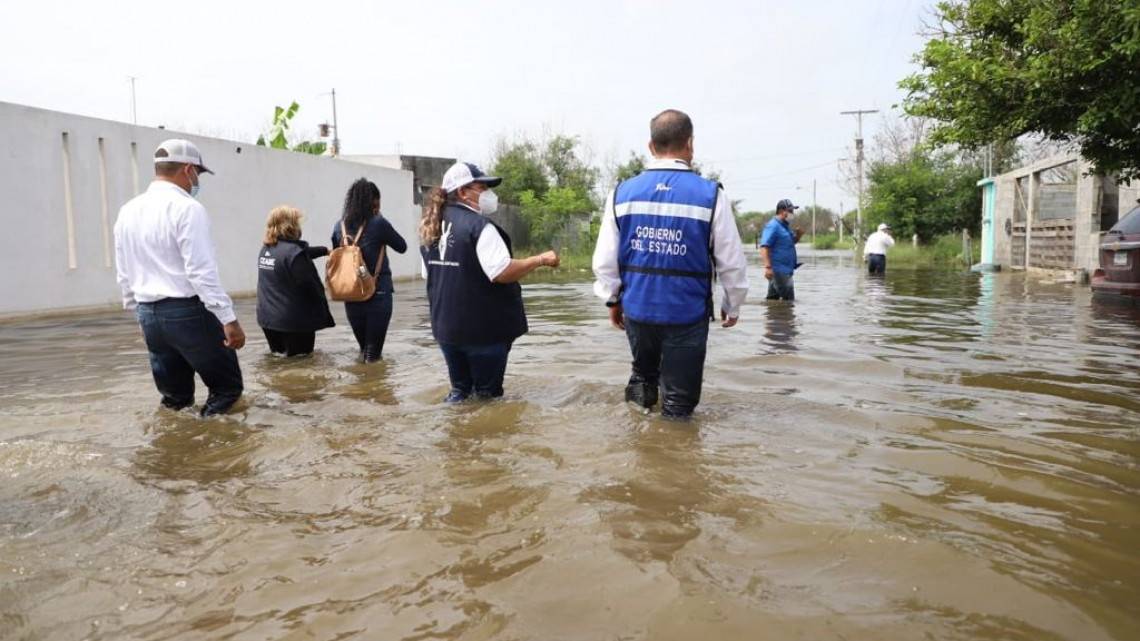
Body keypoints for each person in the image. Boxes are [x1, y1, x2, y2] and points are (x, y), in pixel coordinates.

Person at [592, 109, 749, 418]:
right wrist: (733, 305)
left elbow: (605, 258)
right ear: (690, 144)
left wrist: (612, 299)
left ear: (650, 146)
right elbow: (731, 260)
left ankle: (638, 443)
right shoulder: (711, 195)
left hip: (638, 310)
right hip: (686, 313)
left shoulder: (621, 193)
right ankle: (673, 454)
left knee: (643, 377)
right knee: (679, 400)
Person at [114, 138, 245, 416]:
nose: (197, 181)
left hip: (150, 315)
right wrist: (228, 319)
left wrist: (139, 315)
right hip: (188, 312)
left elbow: (124, 272)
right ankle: (212, 453)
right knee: (227, 392)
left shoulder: (127, 211)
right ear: (188, 170)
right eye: (198, 173)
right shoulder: (188, 209)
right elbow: (200, 271)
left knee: (175, 399)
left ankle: (174, 450)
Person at [419, 161, 559, 402]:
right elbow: (502, 271)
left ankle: (455, 435)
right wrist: (540, 259)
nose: (489, 194)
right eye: (482, 188)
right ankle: (485, 437)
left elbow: (428, 274)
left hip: (447, 331)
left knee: (460, 391)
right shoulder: (479, 227)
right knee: (488, 398)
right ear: (463, 192)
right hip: (483, 331)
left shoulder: (430, 226)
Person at [331, 178, 408, 362]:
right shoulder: (378, 223)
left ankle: (362, 388)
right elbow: (402, 246)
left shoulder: (338, 226)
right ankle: (375, 389)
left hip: (352, 296)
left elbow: (336, 253)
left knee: (363, 349)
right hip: (378, 294)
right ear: (374, 201)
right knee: (373, 356)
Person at [256, 206, 335, 356]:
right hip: (294, 322)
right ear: (291, 225)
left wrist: (325, 250)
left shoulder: (267, 250)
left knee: (279, 362)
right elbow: (307, 285)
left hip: (268, 319)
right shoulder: (293, 253)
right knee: (302, 363)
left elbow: (298, 254)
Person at [760, 198, 804, 301]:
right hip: (779, 271)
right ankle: (785, 317)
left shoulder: (785, 226)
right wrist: (768, 267)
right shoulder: (773, 226)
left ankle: (772, 317)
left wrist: (798, 236)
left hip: (784, 270)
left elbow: (789, 243)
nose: (792, 214)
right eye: (790, 211)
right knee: (789, 303)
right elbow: (764, 247)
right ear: (781, 211)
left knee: (772, 301)